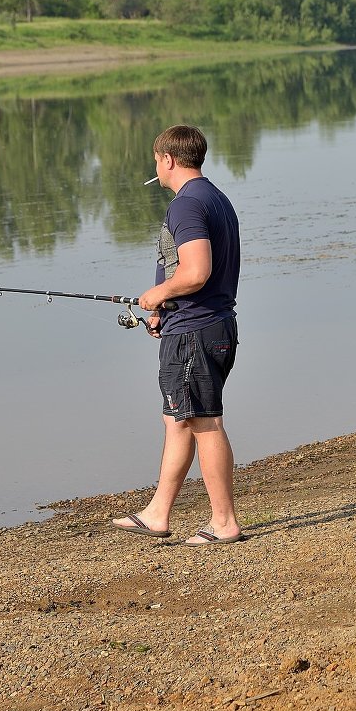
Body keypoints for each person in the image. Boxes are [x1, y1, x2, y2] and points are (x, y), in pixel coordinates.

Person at [112, 125, 244, 546]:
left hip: (196, 334)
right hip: (203, 325)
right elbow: (199, 277)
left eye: (156, 160)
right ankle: (158, 512)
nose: (156, 167)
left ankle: (223, 522)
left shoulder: (186, 206)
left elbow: (196, 271)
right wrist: (165, 310)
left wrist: (157, 294)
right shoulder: (215, 198)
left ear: (167, 160)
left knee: (205, 422)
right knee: (178, 420)